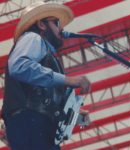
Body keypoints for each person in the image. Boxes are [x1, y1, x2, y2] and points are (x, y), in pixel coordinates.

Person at [1, 1, 90, 150]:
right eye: (56, 22)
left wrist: (74, 115)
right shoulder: (33, 38)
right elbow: (19, 66)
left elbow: (43, 97)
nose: (61, 28)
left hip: (36, 126)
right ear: (42, 24)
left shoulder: (45, 52)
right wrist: (68, 80)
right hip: (32, 123)